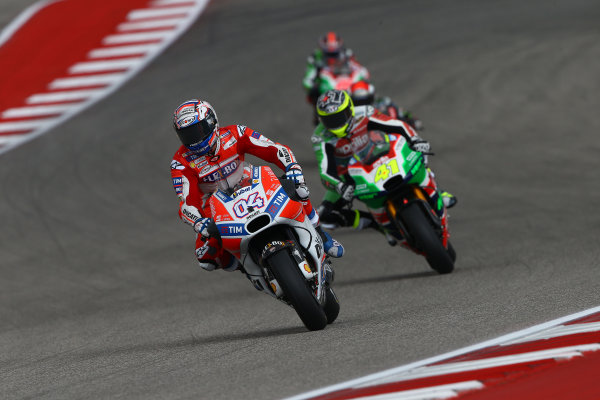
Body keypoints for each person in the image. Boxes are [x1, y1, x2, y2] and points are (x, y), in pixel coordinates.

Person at [170, 99, 344, 271]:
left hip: (251, 183)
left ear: (211, 122)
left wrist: (292, 167)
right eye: (187, 134)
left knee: (297, 186)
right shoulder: (180, 163)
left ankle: (320, 232)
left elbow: (274, 149)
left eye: (198, 130)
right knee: (205, 258)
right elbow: (186, 202)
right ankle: (247, 267)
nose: (194, 139)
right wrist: (198, 222)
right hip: (215, 204)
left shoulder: (235, 133)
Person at [311, 90, 456, 235]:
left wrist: (416, 140)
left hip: (378, 153)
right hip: (347, 174)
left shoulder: (364, 112)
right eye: (330, 120)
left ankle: (435, 188)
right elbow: (325, 170)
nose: (336, 124)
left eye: (339, 117)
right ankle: (375, 224)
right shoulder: (320, 136)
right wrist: (339, 186)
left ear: (350, 109)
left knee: (417, 153)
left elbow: (396, 125)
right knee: (324, 215)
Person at [302, 31, 369, 124]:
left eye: (334, 53)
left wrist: (363, 75)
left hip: (344, 78)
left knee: (365, 88)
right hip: (326, 84)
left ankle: (370, 109)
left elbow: (359, 68)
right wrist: (314, 85)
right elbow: (307, 80)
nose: (332, 57)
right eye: (329, 54)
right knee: (313, 93)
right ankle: (320, 117)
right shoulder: (315, 58)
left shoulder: (347, 53)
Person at [348, 81, 424, 131]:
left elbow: (401, 112)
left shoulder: (384, 103)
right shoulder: (349, 113)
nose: (363, 104)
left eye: (365, 100)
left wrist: (411, 120)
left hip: (391, 135)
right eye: (358, 101)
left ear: (373, 96)